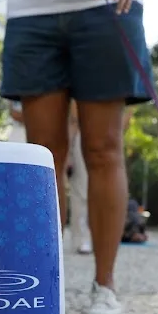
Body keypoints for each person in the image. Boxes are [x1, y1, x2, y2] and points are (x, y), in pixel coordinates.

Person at [0, 0, 158, 314]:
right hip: (32, 13)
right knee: (43, 157)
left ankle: (105, 285)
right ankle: (45, 287)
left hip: (107, 4)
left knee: (102, 148)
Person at [67, 101, 92, 254]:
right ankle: (82, 238)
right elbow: (74, 119)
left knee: (84, 191)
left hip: (103, 133)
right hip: (83, 135)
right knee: (81, 191)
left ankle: (91, 238)